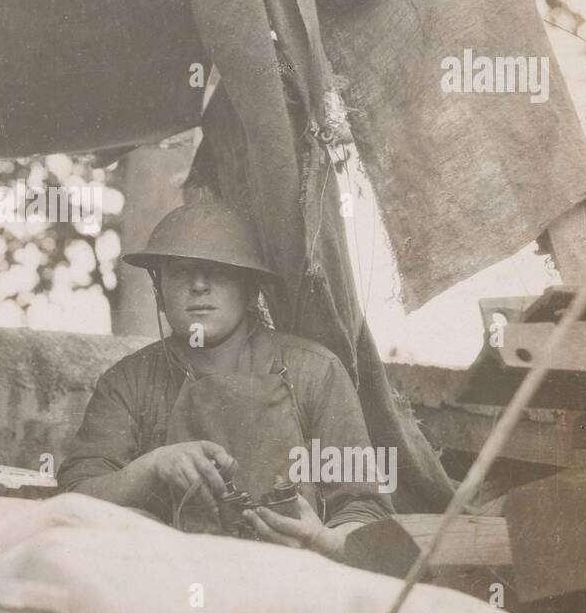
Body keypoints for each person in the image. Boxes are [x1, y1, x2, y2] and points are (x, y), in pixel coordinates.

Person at [57, 200, 392, 561]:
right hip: (164, 583)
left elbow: (364, 508)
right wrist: (153, 466)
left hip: (294, 582)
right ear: (158, 290)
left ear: (250, 290)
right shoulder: (128, 381)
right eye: (181, 271)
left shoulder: (315, 372)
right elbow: (72, 501)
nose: (199, 285)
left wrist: (325, 542)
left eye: (218, 270)